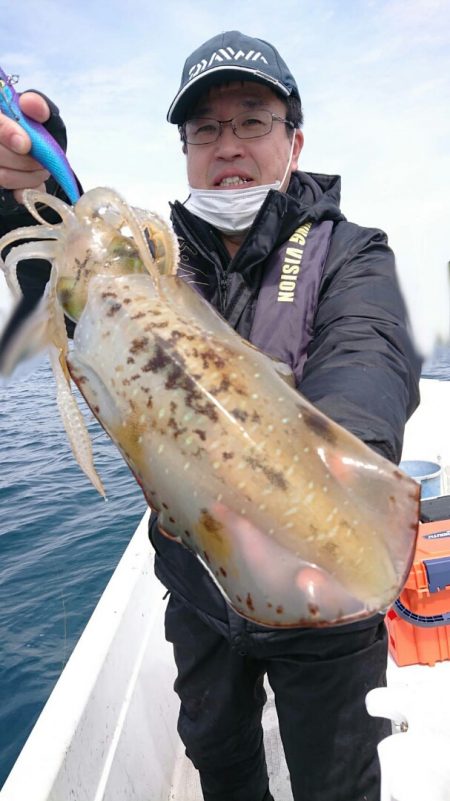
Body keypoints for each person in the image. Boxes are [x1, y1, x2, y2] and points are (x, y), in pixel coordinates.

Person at [0, 31, 421, 801]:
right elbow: (79, 297)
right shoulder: (161, 262)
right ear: (187, 150)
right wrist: (23, 187)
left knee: (337, 782)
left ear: (294, 140)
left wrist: (323, 490)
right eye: (205, 128)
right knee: (221, 765)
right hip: (199, 594)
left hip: (327, 605)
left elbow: (371, 362)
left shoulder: (355, 255)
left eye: (251, 120)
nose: (227, 144)